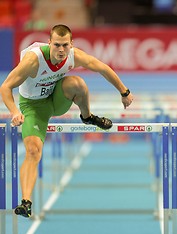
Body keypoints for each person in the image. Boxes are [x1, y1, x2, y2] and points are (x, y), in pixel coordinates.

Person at [0, 24, 134, 218]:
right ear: (49, 43)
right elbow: (5, 87)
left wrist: (124, 91)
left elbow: (103, 68)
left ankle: (87, 117)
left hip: (56, 99)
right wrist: (14, 112)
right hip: (33, 107)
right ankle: (26, 202)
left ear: (71, 44)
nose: (61, 50)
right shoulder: (33, 61)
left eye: (65, 45)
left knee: (77, 83)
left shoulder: (74, 55)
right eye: (57, 45)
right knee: (33, 150)